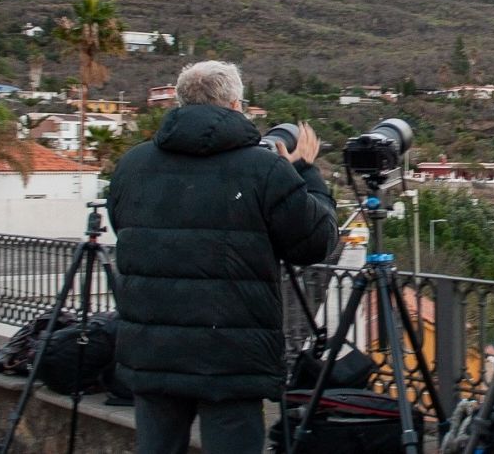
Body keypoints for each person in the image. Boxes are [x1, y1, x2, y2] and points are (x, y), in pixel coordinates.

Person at [108, 61, 338, 454]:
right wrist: (305, 171)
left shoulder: (132, 165)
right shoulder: (264, 169)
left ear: (180, 103)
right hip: (231, 356)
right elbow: (316, 243)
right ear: (235, 105)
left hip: (153, 351)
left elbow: (122, 227)